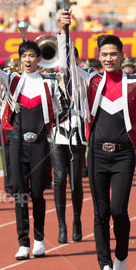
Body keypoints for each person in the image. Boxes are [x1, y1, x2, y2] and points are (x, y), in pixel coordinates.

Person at [56, 11, 136, 270]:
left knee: (118, 211)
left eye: (113, 54)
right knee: (100, 213)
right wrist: (62, 31)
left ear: (122, 55)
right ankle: (105, 268)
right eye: (104, 54)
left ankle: (121, 259)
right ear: (99, 57)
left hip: (124, 154)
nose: (108, 58)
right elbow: (66, 64)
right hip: (97, 153)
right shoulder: (90, 81)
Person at [0, 25, 61, 261]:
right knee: (19, 194)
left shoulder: (50, 83)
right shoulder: (12, 80)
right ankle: (23, 243)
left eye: (31, 56)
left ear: (39, 59)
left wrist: (47, 131)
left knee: (37, 194)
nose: (27, 60)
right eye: (24, 56)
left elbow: (60, 110)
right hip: (16, 144)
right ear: (19, 60)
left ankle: (39, 239)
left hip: (39, 145)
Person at [49, 47, 86, 243]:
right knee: (60, 179)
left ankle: (77, 220)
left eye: (71, 57)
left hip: (77, 135)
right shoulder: (53, 78)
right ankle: (61, 225)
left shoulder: (83, 76)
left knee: (75, 183)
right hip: (57, 136)